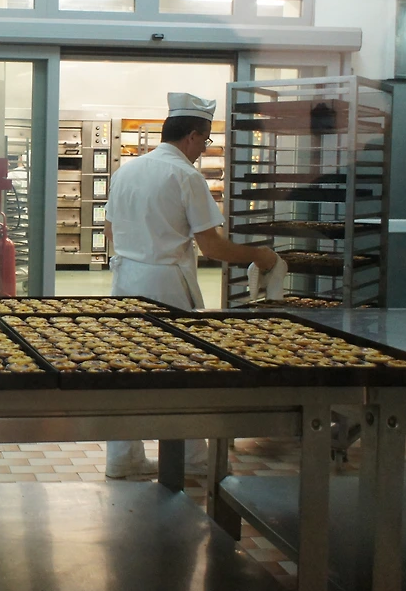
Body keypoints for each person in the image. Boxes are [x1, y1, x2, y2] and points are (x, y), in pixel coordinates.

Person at [102, 92, 278, 479]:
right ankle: (193, 460)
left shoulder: (126, 171)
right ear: (193, 136)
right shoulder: (186, 176)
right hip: (165, 286)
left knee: (128, 369)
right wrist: (260, 255)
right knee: (182, 370)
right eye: (206, 140)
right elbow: (212, 247)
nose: (203, 149)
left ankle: (123, 459)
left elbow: (110, 232)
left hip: (125, 280)